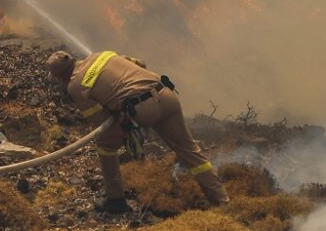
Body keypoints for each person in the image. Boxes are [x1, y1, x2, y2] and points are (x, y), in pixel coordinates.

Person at [45, 50, 228, 213]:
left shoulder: (75, 87)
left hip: (141, 109)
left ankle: (115, 199)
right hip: (166, 94)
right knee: (190, 151)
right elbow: (141, 63)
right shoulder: (102, 54)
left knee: (105, 144)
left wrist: (124, 134)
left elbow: (101, 122)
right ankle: (223, 203)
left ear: (60, 77)